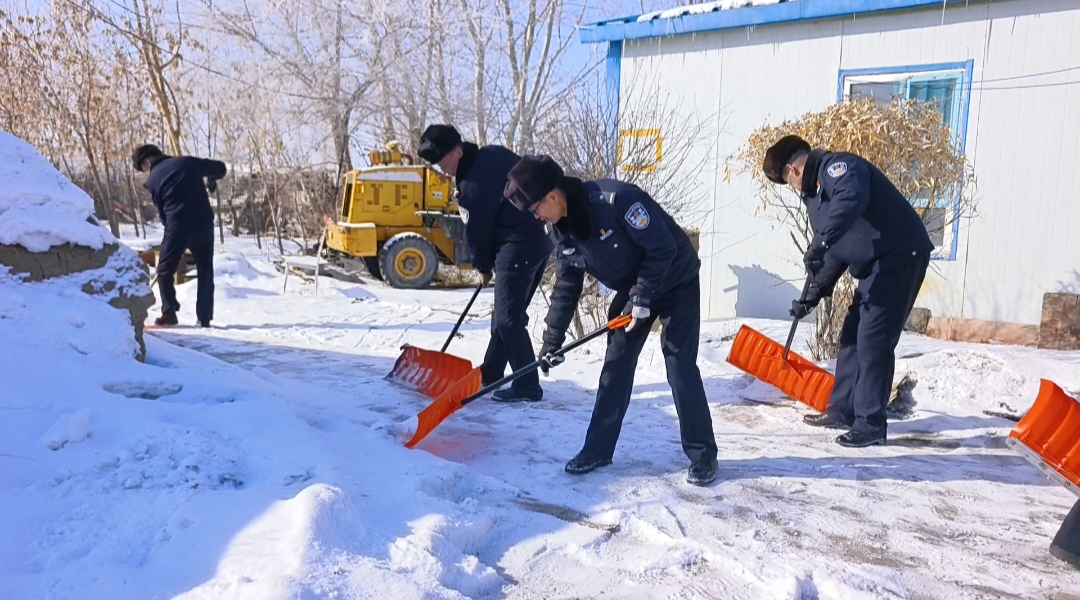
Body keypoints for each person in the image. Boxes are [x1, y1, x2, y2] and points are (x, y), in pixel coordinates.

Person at [504, 154, 718, 486]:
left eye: (535, 209)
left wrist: (643, 296)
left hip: (677, 280)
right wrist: (552, 341)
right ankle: (597, 450)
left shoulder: (617, 201)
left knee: (679, 366)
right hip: (634, 288)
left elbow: (663, 248)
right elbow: (566, 285)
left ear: (553, 196)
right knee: (616, 363)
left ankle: (703, 455)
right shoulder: (561, 230)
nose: (536, 216)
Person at [762, 134, 933, 448]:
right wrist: (810, 297)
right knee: (852, 334)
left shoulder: (839, 168)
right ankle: (843, 410)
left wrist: (821, 241)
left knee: (873, 337)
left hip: (900, 255)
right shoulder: (817, 199)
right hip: (875, 265)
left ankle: (870, 425)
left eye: (788, 182)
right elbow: (833, 253)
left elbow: (851, 199)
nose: (793, 188)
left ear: (793, 170)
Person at [417, 125, 554, 402]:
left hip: (518, 245)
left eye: (443, 163)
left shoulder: (471, 185)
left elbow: (477, 232)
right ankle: (491, 371)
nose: (443, 170)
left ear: (457, 152)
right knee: (507, 314)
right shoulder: (493, 153)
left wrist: (482, 267)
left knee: (507, 319)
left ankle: (527, 385)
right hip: (541, 238)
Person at [133, 144, 226, 328]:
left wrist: (171, 234)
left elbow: (163, 214)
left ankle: (169, 313)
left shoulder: (153, 179)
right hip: (203, 222)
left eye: (143, 169)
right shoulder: (187, 162)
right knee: (205, 269)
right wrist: (211, 179)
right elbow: (220, 168)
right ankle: (204, 319)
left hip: (177, 226)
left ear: (147, 162)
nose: (146, 172)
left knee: (164, 271)